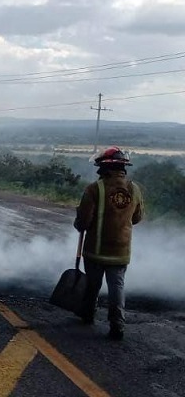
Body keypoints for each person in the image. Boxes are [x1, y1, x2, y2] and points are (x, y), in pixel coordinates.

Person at [74, 146, 143, 341]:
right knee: (117, 287)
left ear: (104, 168)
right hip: (121, 251)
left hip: (95, 250)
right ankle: (117, 325)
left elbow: (84, 221)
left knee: (93, 285)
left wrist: (79, 223)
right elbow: (137, 218)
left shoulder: (94, 189)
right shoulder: (135, 189)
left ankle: (88, 314)